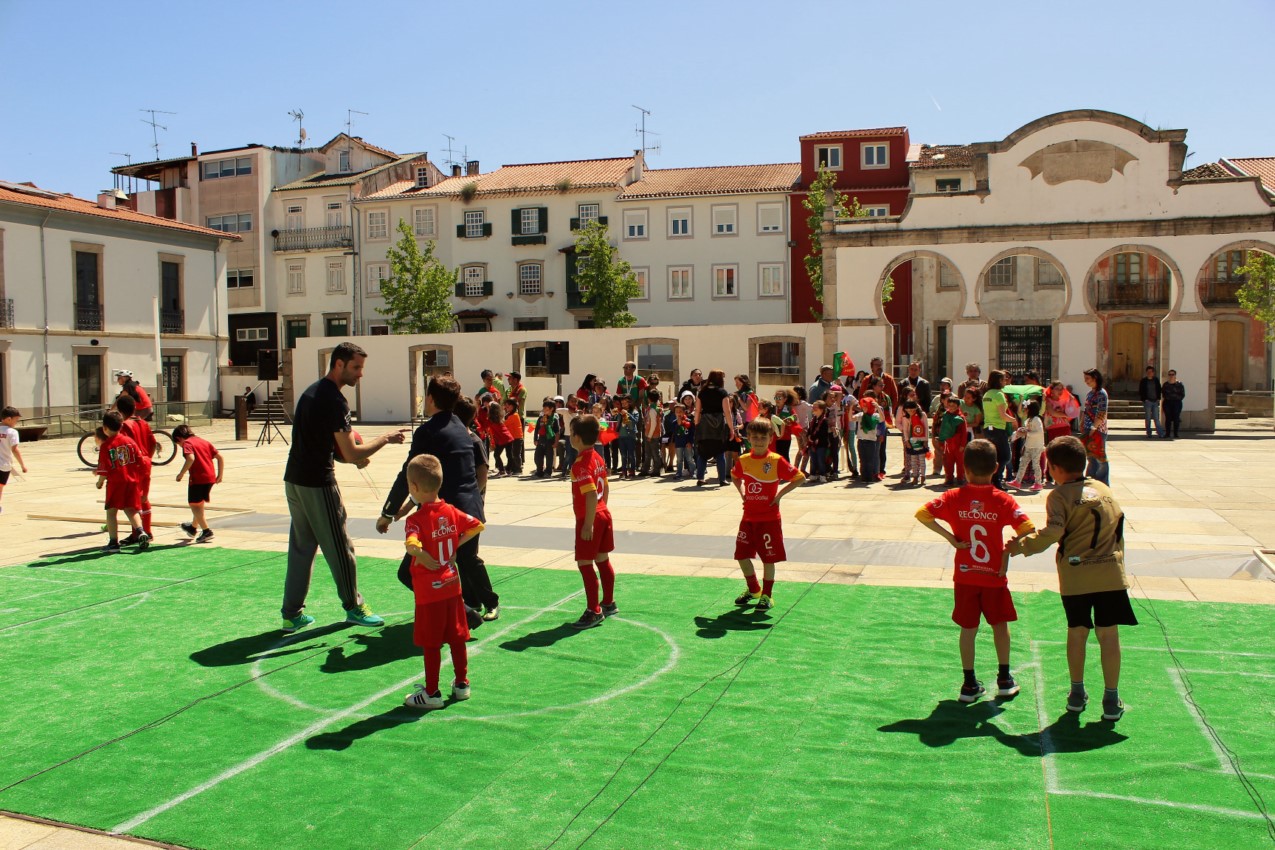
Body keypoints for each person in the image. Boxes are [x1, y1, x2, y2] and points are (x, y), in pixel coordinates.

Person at [282, 342, 406, 633]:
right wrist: (385, 439)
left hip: (294, 480)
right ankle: (354, 607)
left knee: (301, 548)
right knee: (340, 547)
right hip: (317, 483)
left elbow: (326, 445)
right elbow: (350, 453)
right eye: (356, 367)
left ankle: (291, 613)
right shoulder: (335, 400)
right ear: (338, 364)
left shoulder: (310, 393)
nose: (360, 374)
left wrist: (351, 456)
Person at [1010, 436, 1134, 721]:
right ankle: (1111, 699)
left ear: (1053, 468)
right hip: (1110, 575)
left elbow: (1053, 532)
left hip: (1076, 576)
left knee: (1077, 632)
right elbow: (1119, 529)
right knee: (1109, 634)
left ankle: (1077, 693)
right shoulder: (1104, 489)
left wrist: (1022, 546)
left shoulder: (1059, 496)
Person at [916, 439, 1035, 703]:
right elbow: (1028, 529)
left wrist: (950, 538)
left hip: (966, 575)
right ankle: (1004, 678)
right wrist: (1008, 550)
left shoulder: (953, 497)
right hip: (993, 575)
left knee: (968, 628)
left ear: (965, 468)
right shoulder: (1003, 500)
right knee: (1000, 625)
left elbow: (923, 514)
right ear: (996, 467)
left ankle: (969, 683)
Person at [379, 374, 497, 628]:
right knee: (458, 565)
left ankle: (464, 612)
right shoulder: (463, 429)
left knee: (410, 572)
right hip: (470, 512)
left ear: (430, 399)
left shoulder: (427, 431)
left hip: (444, 518)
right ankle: (467, 610)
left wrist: (388, 512)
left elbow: (408, 474)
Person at [399, 454, 485, 710]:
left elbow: (412, 544)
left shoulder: (415, 519)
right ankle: (461, 684)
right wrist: (455, 546)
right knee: (457, 637)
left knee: (431, 642)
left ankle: (432, 692)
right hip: (452, 585)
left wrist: (422, 554)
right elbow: (477, 525)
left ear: (414, 488)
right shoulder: (450, 511)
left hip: (429, 591)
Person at [731, 418, 805, 611]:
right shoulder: (744, 460)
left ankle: (767, 595)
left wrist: (779, 495)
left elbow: (799, 477)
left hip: (769, 519)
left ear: (771, 438)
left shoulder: (775, 461)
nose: (759, 441)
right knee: (741, 555)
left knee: (768, 558)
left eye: (763, 437)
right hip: (748, 519)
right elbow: (735, 476)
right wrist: (743, 493)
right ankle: (753, 589)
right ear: (748, 438)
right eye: (754, 437)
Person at [569, 415, 617, 630]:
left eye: (571, 433)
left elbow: (589, 495)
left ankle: (593, 610)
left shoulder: (580, 465)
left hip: (590, 517)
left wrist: (588, 523)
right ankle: (608, 602)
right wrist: (602, 508)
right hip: (603, 513)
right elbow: (605, 486)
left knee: (585, 564)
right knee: (602, 559)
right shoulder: (597, 456)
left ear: (576, 438)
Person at [95, 411, 149, 554]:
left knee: (111, 512)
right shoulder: (130, 442)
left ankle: (113, 542)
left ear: (105, 428)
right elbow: (140, 460)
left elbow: (104, 468)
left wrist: (100, 482)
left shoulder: (106, 446)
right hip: (132, 481)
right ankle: (141, 532)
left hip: (115, 483)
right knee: (131, 509)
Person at [114, 394, 156, 539]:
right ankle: (147, 530)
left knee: (133, 499)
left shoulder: (125, 425)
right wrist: (148, 458)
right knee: (144, 497)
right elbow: (153, 443)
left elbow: (123, 446)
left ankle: (137, 533)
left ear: (120, 410)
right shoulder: (143, 423)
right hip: (146, 461)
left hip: (134, 464)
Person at [173, 423, 223, 542]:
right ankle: (192, 528)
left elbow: (190, 458)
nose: (181, 446)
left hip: (198, 478)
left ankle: (206, 531)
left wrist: (181, 473)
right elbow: (220, 457)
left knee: (194, 504)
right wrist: (220, 475)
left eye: (178, 444)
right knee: (199, 503)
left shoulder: (187, 444)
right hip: (210, 477)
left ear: (179, 439)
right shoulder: (203, 441)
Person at [694, 369, 733, 487]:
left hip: (704, 424)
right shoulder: (722, 392)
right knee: (720, 451)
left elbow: (697, 410)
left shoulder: (702, 392)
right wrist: (731, 428)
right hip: (718, 423)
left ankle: (700, 478)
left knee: (703, 452)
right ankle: (722, 479)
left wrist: (696, 424)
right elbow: (727, 411)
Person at [981, 370, 1016, 490]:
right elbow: (1003, 415)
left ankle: (991, 480)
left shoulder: (987, 394)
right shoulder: (999, 395)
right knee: (1005, 456)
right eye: (1003, 379)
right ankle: (996, 481)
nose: (1005, 381)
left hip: (988, 429)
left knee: (994, 456)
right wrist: (1014, 420)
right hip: (998, 428)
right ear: (999, 381)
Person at [1007, 399, 1046, 491]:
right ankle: (1017, 481)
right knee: (1023, 463)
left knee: (1035, 465)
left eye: (1026, 409)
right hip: (1029, 445)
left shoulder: (1037, 420)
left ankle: (1038, 483)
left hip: (1036, 446)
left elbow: (1039, 432)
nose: (1024, 410)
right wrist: (1021, 431)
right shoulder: (1028, 420)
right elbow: (1028, 432)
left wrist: (1027, 433)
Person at [1080, 368, 1110, 485]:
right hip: (1089, 428)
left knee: (1100, 457)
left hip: (1098, 429)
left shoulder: (1101, 393)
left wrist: (1094, 427)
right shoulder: (1090, 394)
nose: (1085, 381)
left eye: (1087, 379)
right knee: (1091, 457)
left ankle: (1102, 482)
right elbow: (1086, 410)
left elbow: (1102, 412)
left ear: (1095, 378)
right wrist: (1083, 422)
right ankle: (1091, 480)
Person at [0, 406, 29, 515]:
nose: (16, 423)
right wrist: (23, 465)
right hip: (4, 465)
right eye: (16, 420)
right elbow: (15, 450)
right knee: (0, 486)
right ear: (8, 419)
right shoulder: (12, 432)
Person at [935, 396, 968, 485]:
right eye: (949, 405)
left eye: (953, 405)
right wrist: (941, 441)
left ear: (958, 406)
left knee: (960, 463)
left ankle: (960, 478)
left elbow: (964, 432)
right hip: (949, 443)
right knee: (948, 462)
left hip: (958, 444)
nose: (951, 407)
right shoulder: (946, 415)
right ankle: (949, 478)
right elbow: (943, 429)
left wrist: (962, 445)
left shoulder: (961, 417)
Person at [899, 398, 929, 486]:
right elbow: (905, 429)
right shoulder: (906, 417)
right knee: (913, 460)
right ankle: (915, 476)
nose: (910, 411)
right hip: (911, 441)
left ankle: (923, 476)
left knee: (921, 460)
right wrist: (907, 441)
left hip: (921, 439)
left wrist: (925, 440)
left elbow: (926, 428)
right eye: (908, 410)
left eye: (912, 409)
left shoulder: (922, 415)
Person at [1138, 366, 1164, 438]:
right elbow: (1141, 391)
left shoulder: (1156, 380)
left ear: (1153, 373)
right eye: (1148, 372)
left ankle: (1160, 433)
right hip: (1147, 401)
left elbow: (1159, 389)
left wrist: (1158, 398)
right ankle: (1149, 432)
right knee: (1148, 418)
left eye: (1151, 372)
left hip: (1155, 401)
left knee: (1156, 418)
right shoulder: (1143, 381)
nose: (1149, 373)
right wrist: (1144, 399)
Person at [1161, 369, 1185, 439]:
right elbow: (1163, 394)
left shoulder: (1180, 384)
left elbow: (1182, 394)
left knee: (1176, 418)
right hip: (1167, 403)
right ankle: (1167, 433)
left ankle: (1176, 434)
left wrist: (1176, 398)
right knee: (1168, 418)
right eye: (1170, 374)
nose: (1171, 376)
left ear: (1175, 375)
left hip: (1177, 403)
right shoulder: (1165, 384)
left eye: (1172, 374)